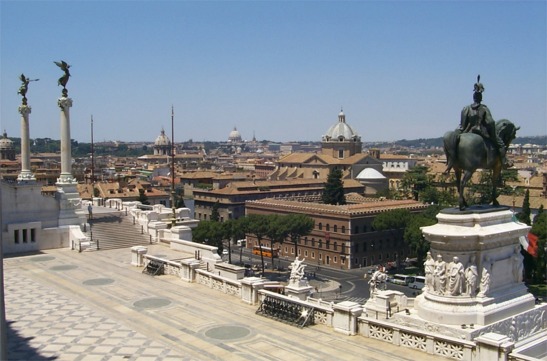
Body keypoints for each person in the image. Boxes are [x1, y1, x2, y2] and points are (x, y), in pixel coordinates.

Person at [459, 75, 510, 168]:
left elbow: (462, 125)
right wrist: (492, 131)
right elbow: (490, 122)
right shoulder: (484, 108)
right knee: (501, 144)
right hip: (480, 131)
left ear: (473, 97)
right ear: (480, 98)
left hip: (467, 131)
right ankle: (504, 162)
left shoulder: (465, 108)